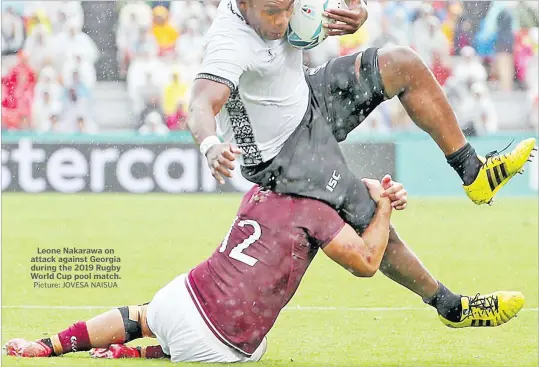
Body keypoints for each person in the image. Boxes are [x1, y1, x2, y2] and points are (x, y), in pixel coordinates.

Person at [186, 0, 535, 330]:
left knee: (402, 63)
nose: (281, 21)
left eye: (288, 8)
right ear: (243, 4)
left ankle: (474, 172)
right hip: (281, 154)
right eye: (272, 12)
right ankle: (452, 307)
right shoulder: (229, 42)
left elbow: (343, 9)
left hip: (306, 95)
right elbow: (201, 102)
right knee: (371, 218)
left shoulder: (277, 10)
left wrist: (358, 8)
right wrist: (210, 144)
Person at [4, 177, 524, 362]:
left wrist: (369, 190)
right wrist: (384, 207)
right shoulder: (319, 212)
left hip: (179, 297)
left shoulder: (262, 189)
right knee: (238, 345)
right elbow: (367, 262)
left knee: (144, 313)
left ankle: (47, 346)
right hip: (226, 347)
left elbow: (327, 180)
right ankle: (141, 354)